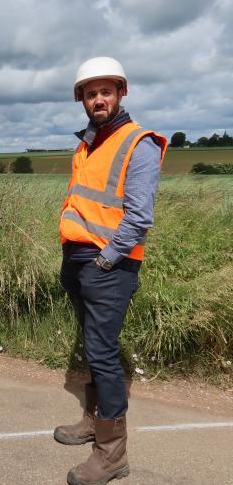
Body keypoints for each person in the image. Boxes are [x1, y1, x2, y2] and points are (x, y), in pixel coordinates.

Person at [54, 57, 167, 485]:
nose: (98, 99)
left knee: (102, 351)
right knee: (92, 345)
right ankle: (91, 421)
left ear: (121, 93)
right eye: (90, 93)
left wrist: (105, 259)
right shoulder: (88, 143)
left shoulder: (139, 142)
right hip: (79, 260)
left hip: (109, 264)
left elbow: (139, 216)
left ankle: (112, 452)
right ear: (81, 99)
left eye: (106, 91)